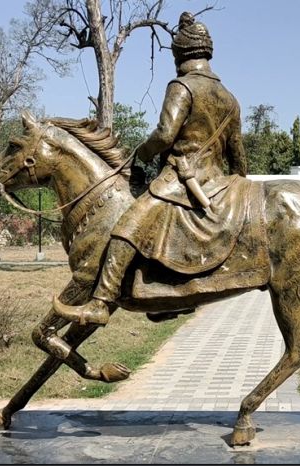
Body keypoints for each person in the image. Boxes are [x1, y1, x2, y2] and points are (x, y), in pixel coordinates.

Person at [56, 11, 246, 326]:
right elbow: (238, 156)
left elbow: (164, 135)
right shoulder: (229, 98)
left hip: (180, 179)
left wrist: (141, 153)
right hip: (217, 184)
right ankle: (168, 299)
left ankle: (100, 303)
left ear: (180, 54)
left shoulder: (182, 86)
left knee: (127, 229)